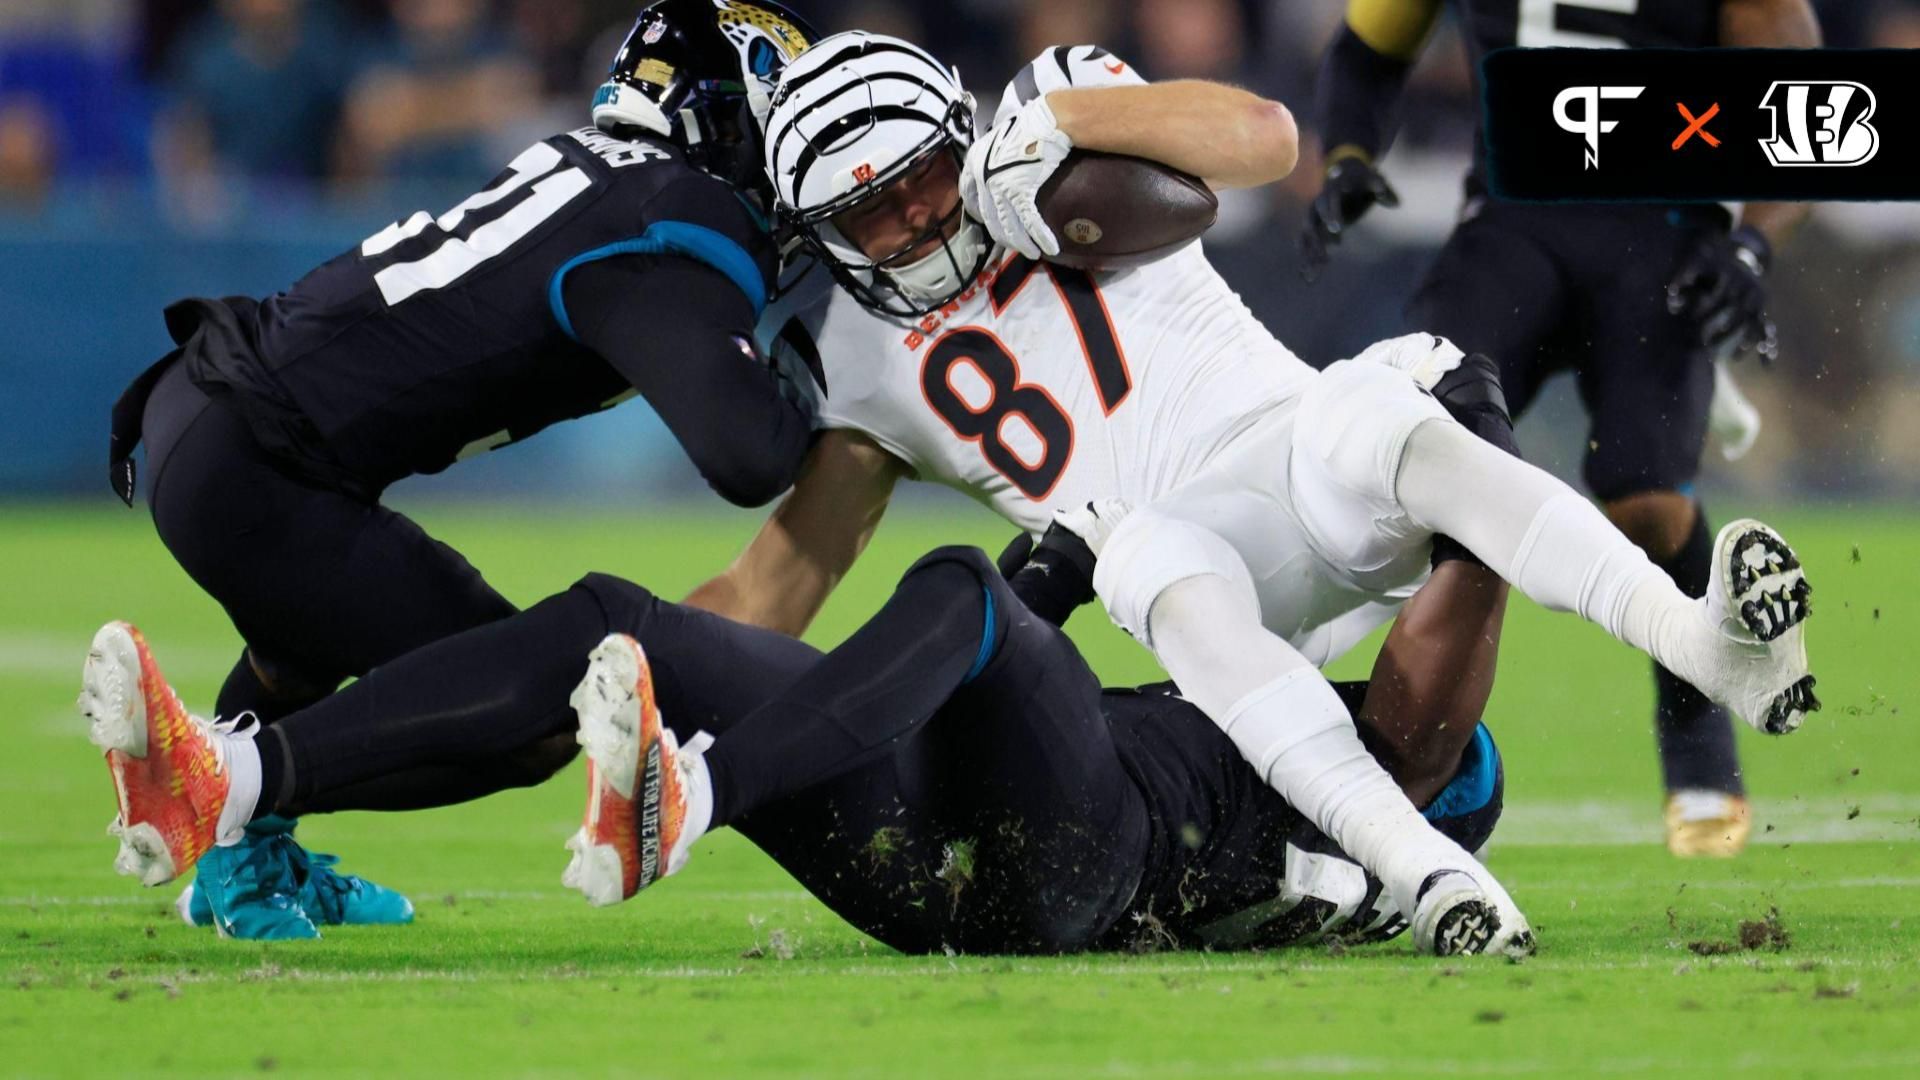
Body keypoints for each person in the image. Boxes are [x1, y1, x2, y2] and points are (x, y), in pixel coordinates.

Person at [687, 32, 1819, 956]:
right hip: (1186, 557)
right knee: (1139, 557)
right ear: (820, 236)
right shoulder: (858, 358)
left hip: (1293, 451)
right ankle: (1424, 870)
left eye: (922, 180)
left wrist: (1068, 126)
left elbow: (1265, 140)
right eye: (865, 215)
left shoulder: (1054, 105)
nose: (913, 224)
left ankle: (1700, 639)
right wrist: (656, 681)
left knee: (1389, 402)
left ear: (960, 131)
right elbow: (777, 586)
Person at [100, 0, 819, 940]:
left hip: (218, 417)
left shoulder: (596, 168)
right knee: (530, 714)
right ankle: (214, 788)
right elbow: (747, 455)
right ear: (728, 122)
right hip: (260, 454)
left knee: (309, 637)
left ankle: (244, 856)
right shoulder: (674, 213)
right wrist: (818, 375)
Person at [76, 529, 1513, 955]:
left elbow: (1437, 677)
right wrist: (1057, 570)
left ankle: (694, 793)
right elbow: (981, 672)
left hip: (1090, 863)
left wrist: (1480, 505)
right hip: (951, 853)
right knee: (622, 625)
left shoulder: (1377, 790)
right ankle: (237, 778)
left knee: (956, 586)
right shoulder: (1259, 747)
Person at [1298, 0, 1824, 857]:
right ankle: (1366, 753)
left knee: (1646, 503)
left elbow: (1804, 100)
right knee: (1417, 446)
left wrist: (1751, 244)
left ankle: (1696, 725)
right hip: (1514, 219)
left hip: (1660, 224)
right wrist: (1348, 156)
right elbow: (1365, 50)